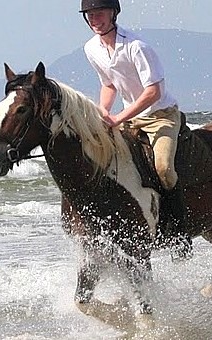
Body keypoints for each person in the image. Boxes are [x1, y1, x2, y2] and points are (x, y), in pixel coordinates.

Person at [79, 0, 190, 257]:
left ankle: (179, 233)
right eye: (90, 15)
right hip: (131, 117)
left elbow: (153, 92)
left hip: (161, 115)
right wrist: (103, 111)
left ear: (113, 13)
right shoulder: (91, 48)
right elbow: (109, 85)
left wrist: (118, 118)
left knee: (163, 168)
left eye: (100, 13)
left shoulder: (136, 47)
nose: (95, 19)